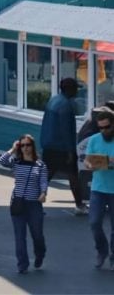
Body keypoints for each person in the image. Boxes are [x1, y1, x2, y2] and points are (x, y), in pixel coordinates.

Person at [0, 134, 49, 273]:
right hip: (18, 202)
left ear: (33, 146)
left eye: (28, 145)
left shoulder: (40, 165)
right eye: (22, 145)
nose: (25, 148)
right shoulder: (16, 161)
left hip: (34, 204)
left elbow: (43, 181)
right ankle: (22, 263)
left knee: (37, 234)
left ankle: (40, 254)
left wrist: (43, 193)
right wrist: (12, 149)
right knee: (20, 236)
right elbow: (1, 160)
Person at [41, 77, 85, 214]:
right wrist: (71, 151)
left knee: (45, 176)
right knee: (73, 176)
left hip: (49, 144)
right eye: (75, 88)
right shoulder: (66, 105)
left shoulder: (53, 100)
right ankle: (79, 205)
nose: (77, 91)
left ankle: (34, 203)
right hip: (62, 147)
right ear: (69, 89)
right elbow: (66, 130)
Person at [84, 106, 114, 269]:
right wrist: (89, 164)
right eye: (100, 127)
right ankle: (101, 251)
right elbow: (88, 160)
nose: (104, 131)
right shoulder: (94, 139)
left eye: (107, 127)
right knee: (94, 222)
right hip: (99, 187)